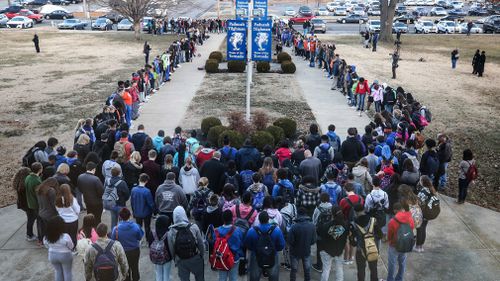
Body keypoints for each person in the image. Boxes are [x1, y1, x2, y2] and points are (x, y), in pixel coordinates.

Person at [245, 211, 286, 281]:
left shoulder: (251, 230)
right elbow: (281, 245)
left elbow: (248, 245)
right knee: (274, 278)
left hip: (256, 256)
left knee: (254, 278)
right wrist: (274, 250)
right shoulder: (277, 230)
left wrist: (255, 249)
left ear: (259, 220)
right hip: (272, 256)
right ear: (268, 219)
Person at [167, 206, 205, 281]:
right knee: (200, 278)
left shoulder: (171, 232)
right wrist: (201, 255)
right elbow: (200, 244)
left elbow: (171, 248)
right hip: (195, 257)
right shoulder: (194, 227)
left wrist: (175, 259)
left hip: (181, 260)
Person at [350, 203, 383, 281]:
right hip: (373, 248)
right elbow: (380, 235)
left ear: (355, 212)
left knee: (361, 270)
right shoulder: (373, 220)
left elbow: (353, 243)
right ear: (364, 210)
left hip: (360, 250)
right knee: (373, 269)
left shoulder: (353, 224)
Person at [111, 208, 144, 281]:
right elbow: (140, 237)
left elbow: (113, 241)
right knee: (135, 267)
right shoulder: (136, 226)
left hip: (122, 252)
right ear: (130, 216)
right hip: (134, 250)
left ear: (120, 216)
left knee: (125, 270)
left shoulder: (115, 229)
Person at [317, 204, 347, 281]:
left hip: (327, 250)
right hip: (339, 250)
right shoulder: (345, 224)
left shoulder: (326, 225)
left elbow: (321, 235)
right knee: (339, 269)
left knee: (326, 270)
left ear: (332, 214)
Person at [386, 202, 415, 281]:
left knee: (392, 264)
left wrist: (390, 241)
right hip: (405, 243)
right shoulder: (410, 218)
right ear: (402, 209)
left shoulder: (392, 221)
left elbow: (389, 236)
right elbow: (411, 229)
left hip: (394, 245)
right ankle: (399, 278)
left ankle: (390, 279)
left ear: (395, 211)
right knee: (402, 263)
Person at [214, 210, 245, 281]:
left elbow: (214, 244)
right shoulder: (237, 230)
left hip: (221, 258)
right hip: (234, 258)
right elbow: (241, 244)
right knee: (233, 277)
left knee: (222, 278)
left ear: (222, 219)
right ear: (232, 219)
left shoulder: (217, 231)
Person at [288, 207, 317, 281]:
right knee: (307, 271)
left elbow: (290, 241)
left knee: (293, 271)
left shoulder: (294, 227)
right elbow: (313, 241)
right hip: (306, 251)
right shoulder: (312, 226)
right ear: (306, 214)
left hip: (294, 252)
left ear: (298, 214)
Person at [44, 216, 74, 281]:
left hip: (52, 255)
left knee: (58, 272)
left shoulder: (46, 237)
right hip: (65, 255)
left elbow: (46, 245)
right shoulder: (65, 236)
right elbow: (71, 246)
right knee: (67, 272)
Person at [415, 175, 438, 252]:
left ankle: (418, 247)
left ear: (422, 182)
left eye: (420, 180)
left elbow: (417, 203)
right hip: (428, 212)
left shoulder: (423, 192)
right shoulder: (432, 190)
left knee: (419, 229)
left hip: (422, 213)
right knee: (423, 228)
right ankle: (421, 246)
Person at [103, 166, 130, 230]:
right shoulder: (122, 183)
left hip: (111, 204)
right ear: (119, 173)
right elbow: (127, 194)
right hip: (121, 205)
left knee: (113, 221)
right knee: (122, 222)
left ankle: (113, 234)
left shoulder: (107, 181)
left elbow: (105, 191)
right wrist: (124, 200)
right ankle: (120, 235)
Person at [147, 215, 173, 281]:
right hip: (167, 258)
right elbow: (171, 247)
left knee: (158, 274)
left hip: (156, 257)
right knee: (166, 275)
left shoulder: (152, 233)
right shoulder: (169, 233)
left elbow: (150, 245)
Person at [55, 184, 80, 248]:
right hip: (73, 220)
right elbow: (77, 210)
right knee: (73, 235)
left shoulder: (57, 199)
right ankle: (73, 248)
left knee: (64, 236)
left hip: (62, 220)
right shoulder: (72, 199)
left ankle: (66, 247)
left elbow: (57, 209)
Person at [37, 178, 60, 244]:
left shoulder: (40, 188)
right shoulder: (51, 191)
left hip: (41, 212)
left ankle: (41, 241)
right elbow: (53, 204)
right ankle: (50, 241)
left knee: (42, 229)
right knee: (50, 229)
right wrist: (58, 212)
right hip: (50, 214)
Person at [25, 162, 43, 242]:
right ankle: (40, 237)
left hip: (29, 202)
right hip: (36, 204)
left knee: (30, 220)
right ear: (40, 170)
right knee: (39, 222)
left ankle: (29, 234)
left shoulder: (28, 177)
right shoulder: (36, 181)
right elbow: (39, 195)